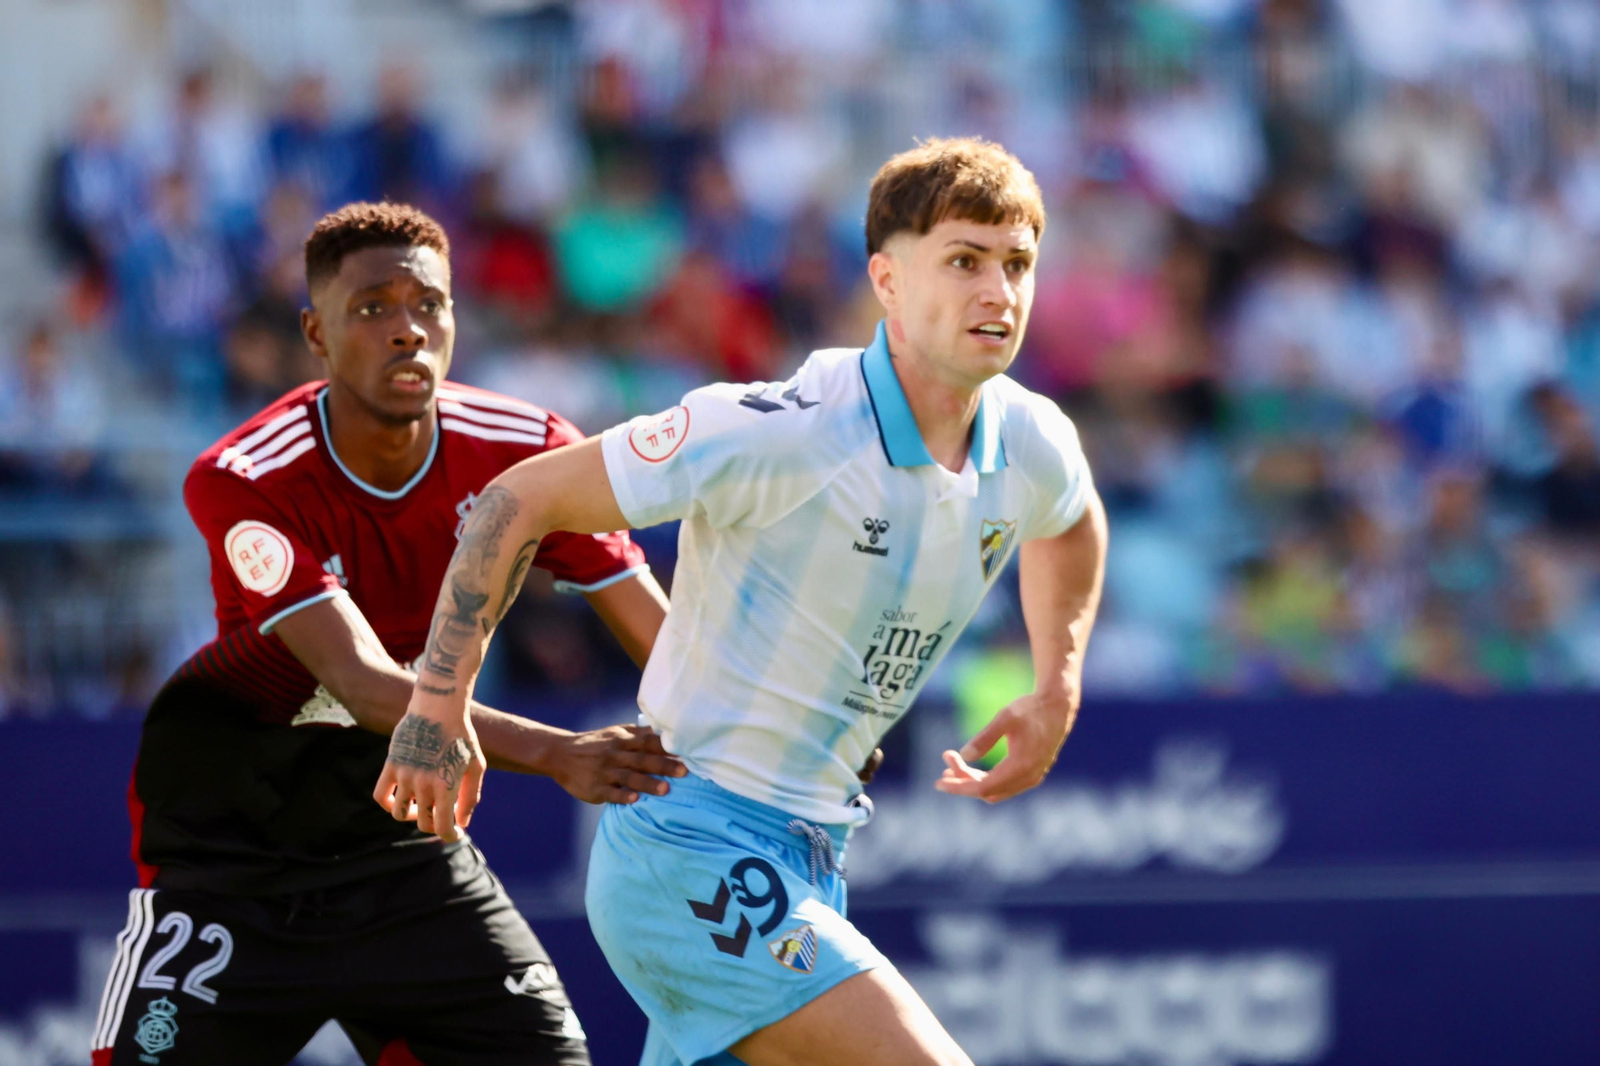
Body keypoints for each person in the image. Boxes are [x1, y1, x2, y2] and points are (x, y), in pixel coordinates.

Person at [380, 139, 1109, 1066]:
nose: (998, 292)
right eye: (964, 261)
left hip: (811, 855)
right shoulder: (784, 431)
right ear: (885, 281)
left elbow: (1074, 519)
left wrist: (1059, 684)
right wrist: (437, 700)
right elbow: (517, 501)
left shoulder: (1032, 437)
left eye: (1017, 264)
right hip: (688, 847)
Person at [92, 201, 686, 1066]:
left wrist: (782, 731)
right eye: (372, 308)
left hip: (403, 849)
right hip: (236, 860)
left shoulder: (528, 455)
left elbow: (661, 642)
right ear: (317, 333)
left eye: (429, 305)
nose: (407, 330)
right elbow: (363, 682)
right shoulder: (244, 478)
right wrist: (560, 753)